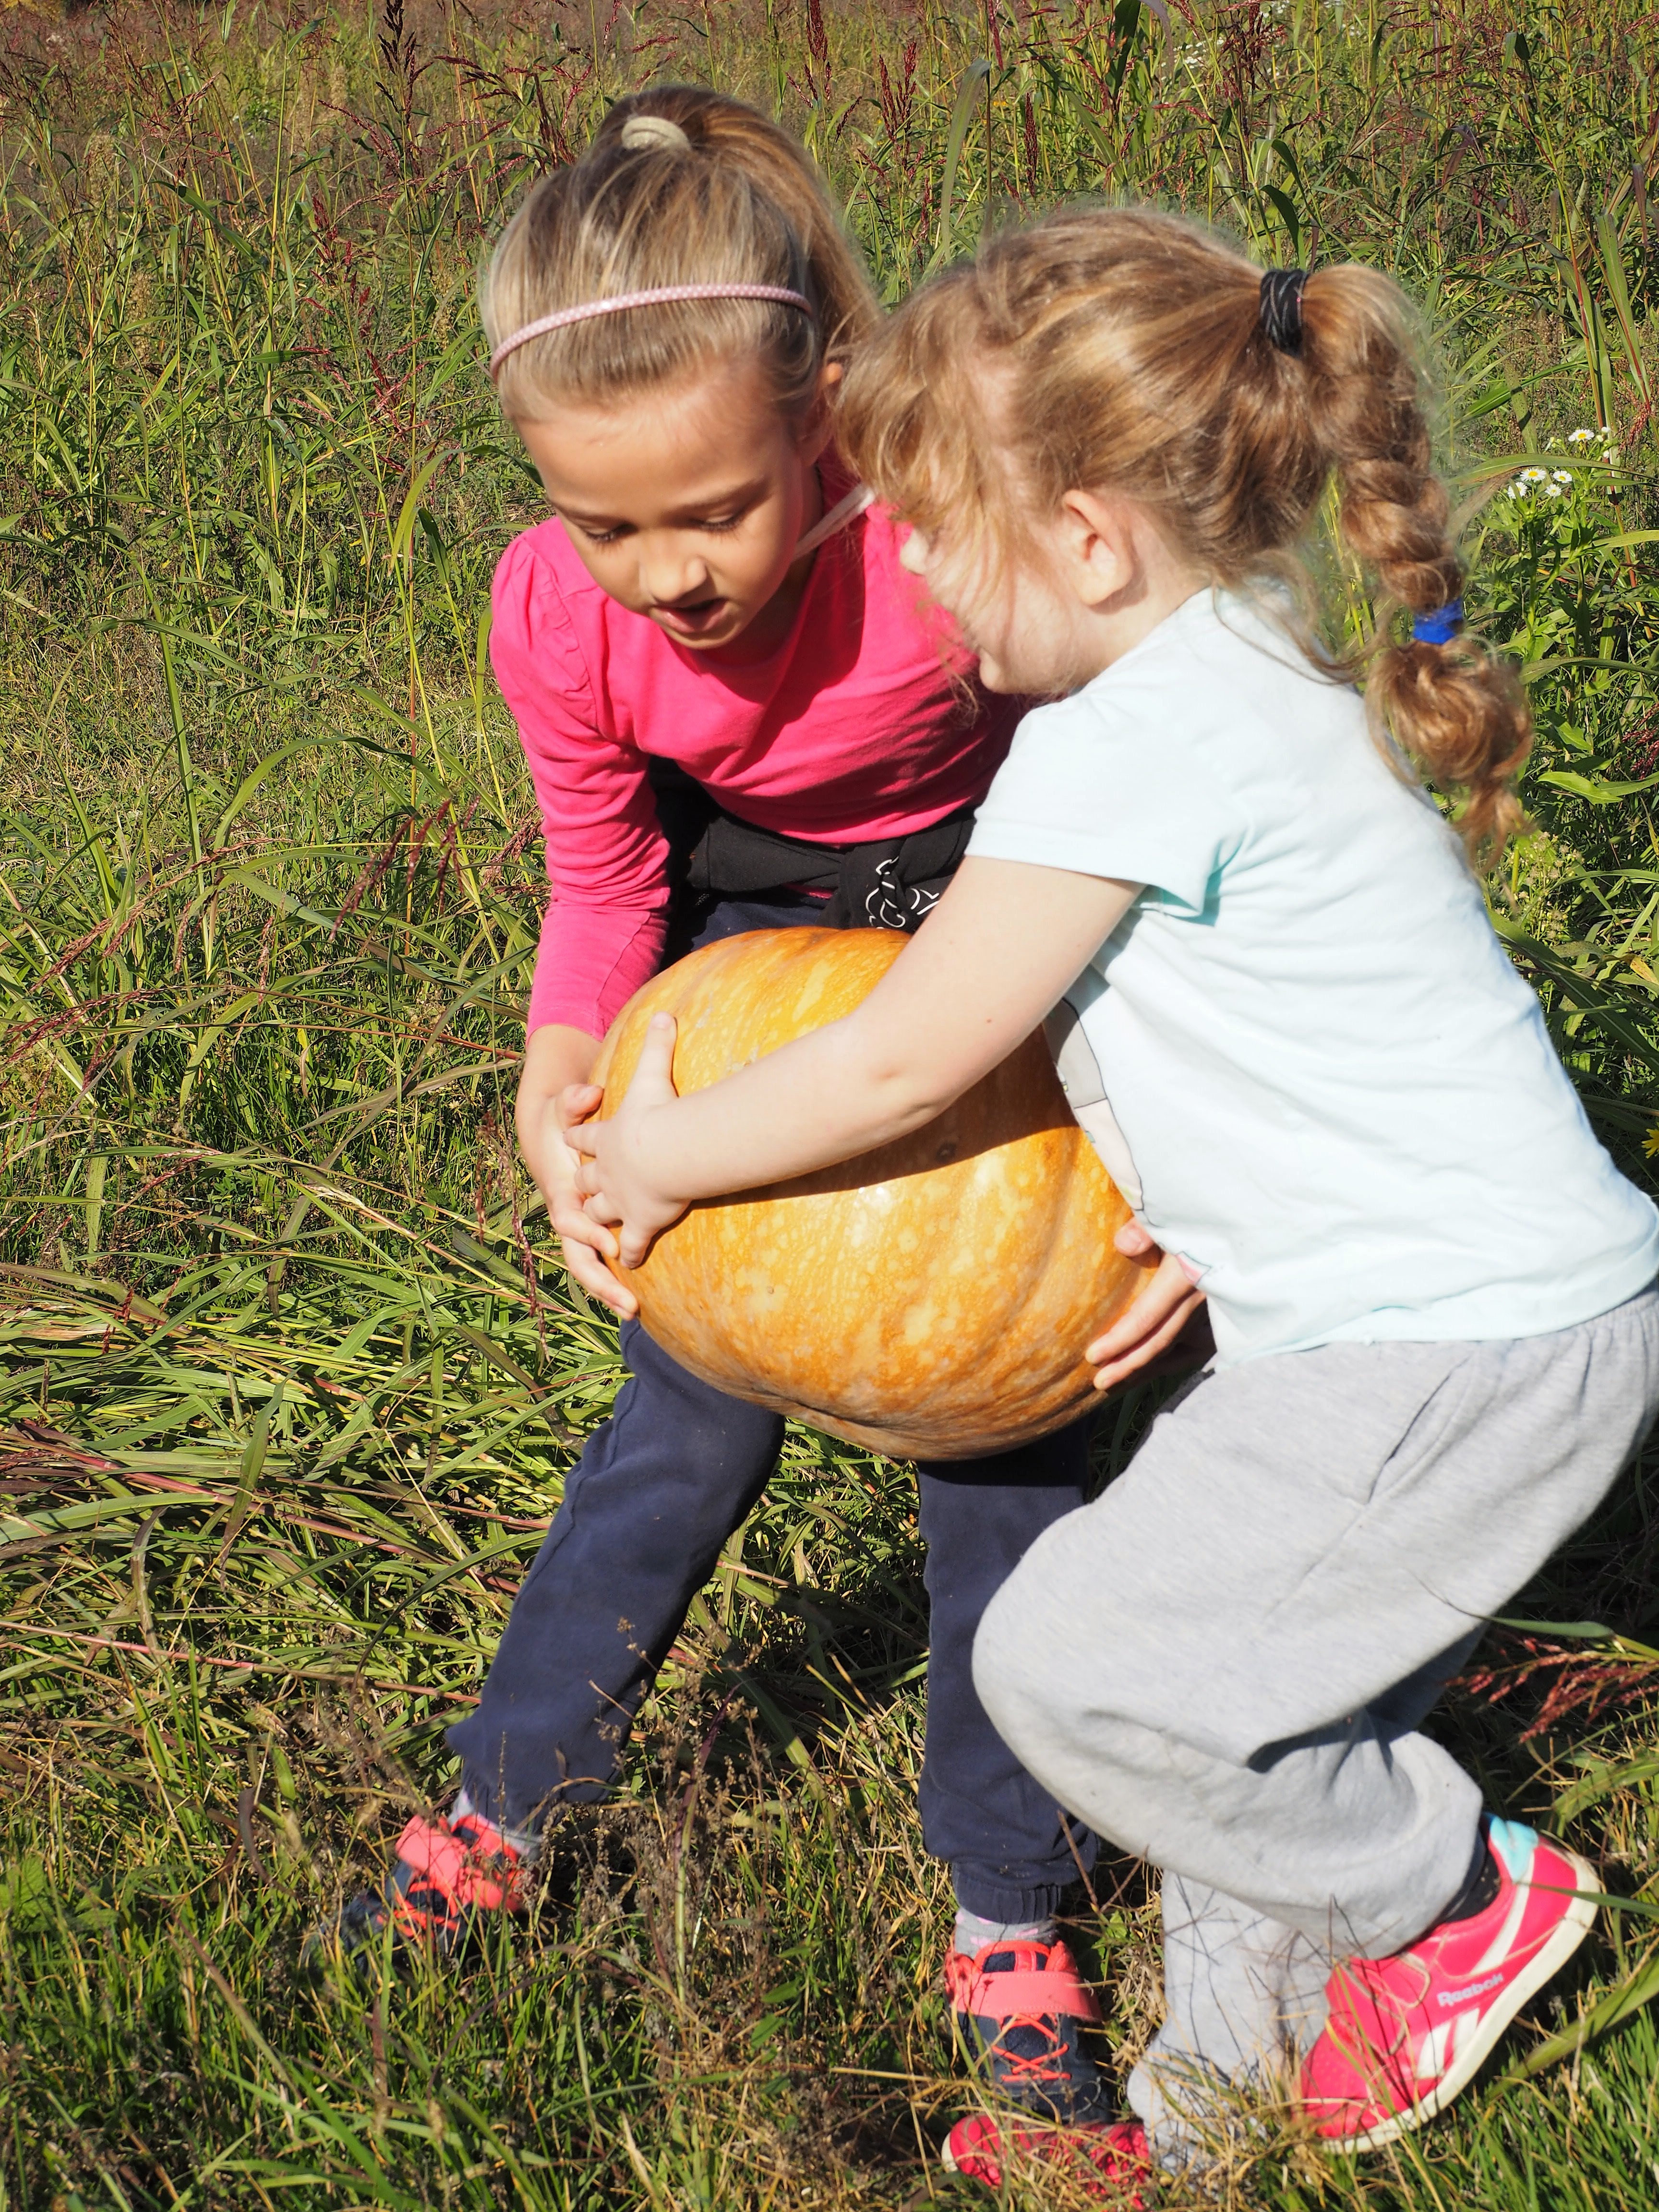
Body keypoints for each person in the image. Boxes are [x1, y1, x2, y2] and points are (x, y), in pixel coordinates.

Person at [570, 205, 1659, 2194]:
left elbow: (902, 1054)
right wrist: (1188, 1223)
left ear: (1085, 540)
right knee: (1238, 1741)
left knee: (1071, 1664)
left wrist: (653, 1152)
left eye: (930, 523)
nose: (905, 565)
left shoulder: (1115, 748)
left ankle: (1453, 1900)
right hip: (1470, 1325)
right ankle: (1199, 2135)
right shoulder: (1258, 670)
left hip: (1436, 1343)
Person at [321, 91, 1200, 2142]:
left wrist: (1180, 1174)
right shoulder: (558, 611)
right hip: (756, 957)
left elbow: (1152, 823)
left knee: (1011, 1434)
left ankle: (1010, 1907)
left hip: (1021, 932)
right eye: (606, 524)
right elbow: (605, 880)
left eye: (713, 512)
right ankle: (509, 1799)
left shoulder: (939, 537)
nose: (669, 575)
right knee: (681, 1409)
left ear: (825, 414)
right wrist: (563, 1084)